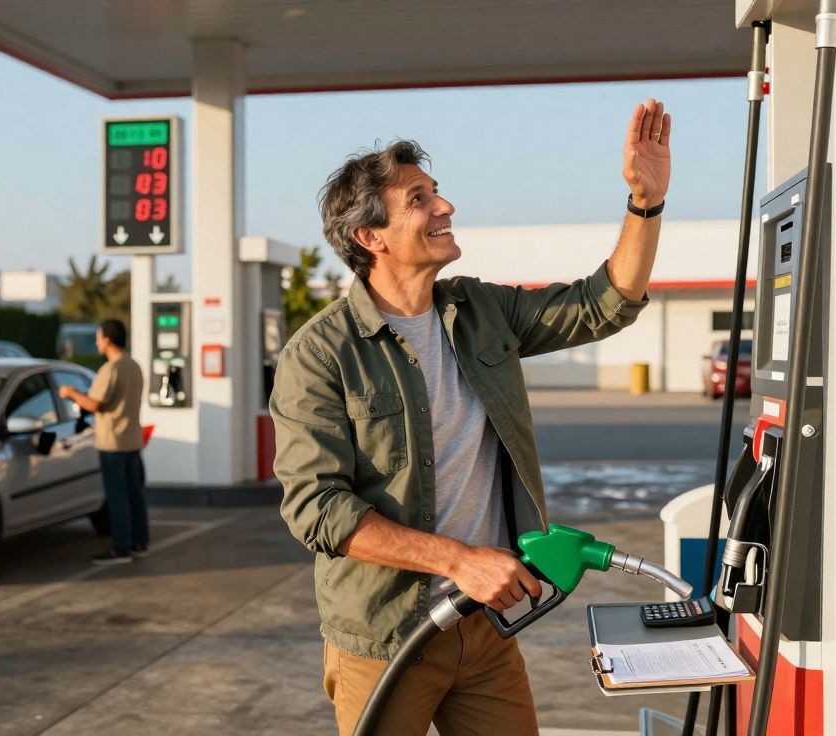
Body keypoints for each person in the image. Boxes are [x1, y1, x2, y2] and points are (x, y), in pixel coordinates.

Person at [269, 100, 672, 735]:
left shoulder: (480, 309)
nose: (445, 206)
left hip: (483, 630)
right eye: (419, 199)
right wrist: (460, 561)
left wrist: (645, 203)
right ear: (370, 238)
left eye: (437, 192)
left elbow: (606, 304)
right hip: (385, 640)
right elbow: (317, 509)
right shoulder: (320, 353)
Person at [58, 319, 150, 565]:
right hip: (132, 441)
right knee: (135, 495)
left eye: (98, 338)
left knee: (117, 497)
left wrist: (71, 394)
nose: (97, 342)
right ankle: (140, 542)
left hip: (112, 444)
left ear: (107, 340)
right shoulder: (134, 366)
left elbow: (95, 404)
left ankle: (120, 548)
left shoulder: (111, 369)